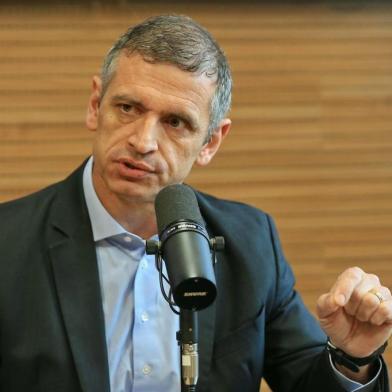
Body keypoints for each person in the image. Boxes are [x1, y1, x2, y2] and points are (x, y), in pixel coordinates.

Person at [0, 14, 390, 392]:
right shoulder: (8, 243)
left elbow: (306, 380)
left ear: (211, 142)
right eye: (127, 108)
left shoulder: (250, 241)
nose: (143, 142)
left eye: (175, 122)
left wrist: (351, 356)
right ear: (94, 105)